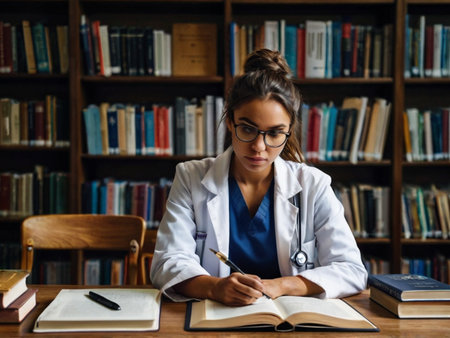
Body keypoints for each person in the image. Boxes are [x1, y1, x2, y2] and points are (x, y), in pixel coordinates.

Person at [150, 49, 367, 306]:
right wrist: (215, 287)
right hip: (217, 318)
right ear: (230, 121)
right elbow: (167, 262)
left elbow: (351, 270)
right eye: (248, 129)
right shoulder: (190, 177)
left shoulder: (313, 185)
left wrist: (281, 285)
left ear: (289, 130)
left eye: (275, 133)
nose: (259, 147)